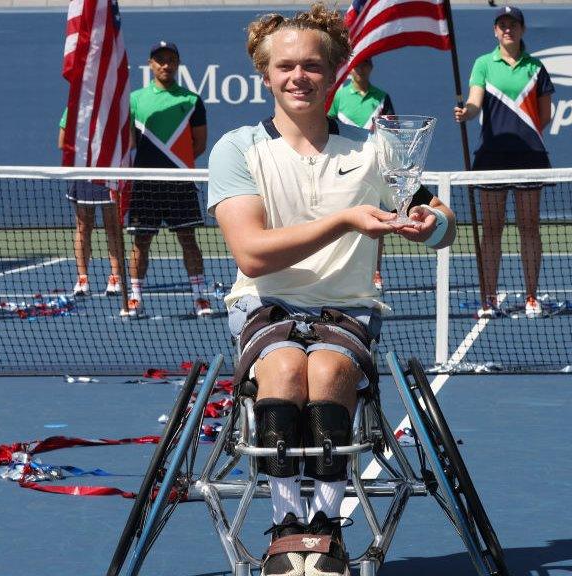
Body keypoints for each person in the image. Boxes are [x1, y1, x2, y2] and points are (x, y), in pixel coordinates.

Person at [207, 5, 456, 576]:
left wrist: (430, 224)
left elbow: (439, 222)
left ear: (336, 73)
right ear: (265, 74)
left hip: (347, 308)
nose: (300, 77)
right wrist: (345, 221)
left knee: (328, 372)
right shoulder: (238, 149)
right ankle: (287, 527)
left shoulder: (375, 150)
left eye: (313, 66)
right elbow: (251, 252)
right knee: (288, 368)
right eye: (286, 66)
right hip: (264, 303)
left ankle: (324, 531)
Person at [454, 5, 554, 319]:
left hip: (529, 157)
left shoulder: (536, 68)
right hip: (491, 157)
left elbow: (546, 114)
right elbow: (474, 102)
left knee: (529, 228)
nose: (507, 29)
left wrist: (524, 135)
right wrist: (466, 113)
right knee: (492, 229)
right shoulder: (484, 64)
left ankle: (532, 297)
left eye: (513, 24)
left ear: (522, 30)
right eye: (502, 24)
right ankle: (489, 298)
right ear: (496, 31)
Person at [125, 40, 210, 318]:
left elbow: (199, 144)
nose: (165, 65)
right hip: (144, 183)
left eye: (170, 60)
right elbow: (128, 142)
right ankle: (135, 298)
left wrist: (176, 162)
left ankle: (200, 298)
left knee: (188, 239)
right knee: (141, 243)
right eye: (159, 60)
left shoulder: (191, 100)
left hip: (179, 182)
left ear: (177, 64)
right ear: (150, 64)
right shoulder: (135, 99)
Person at [328, 56, 395, 291]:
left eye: (366, 64)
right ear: (351, 69)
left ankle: (375, 271)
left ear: (371, 68)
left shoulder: (382, 97)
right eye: (357, 65)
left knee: (376, 220)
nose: (361, 69)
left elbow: (390, 130)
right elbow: (329, 127)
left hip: (372, 167)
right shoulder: (338, 95)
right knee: (341, 218)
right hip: (343, 166)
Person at [58, 109, 126, 297]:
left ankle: (115, 277)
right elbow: (62, 142)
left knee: (113, 226)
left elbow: (129, 142)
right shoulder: (75, 106)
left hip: (109, 173)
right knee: (83, 227)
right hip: (84, 173)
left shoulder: (115, 103)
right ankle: (82, 278)